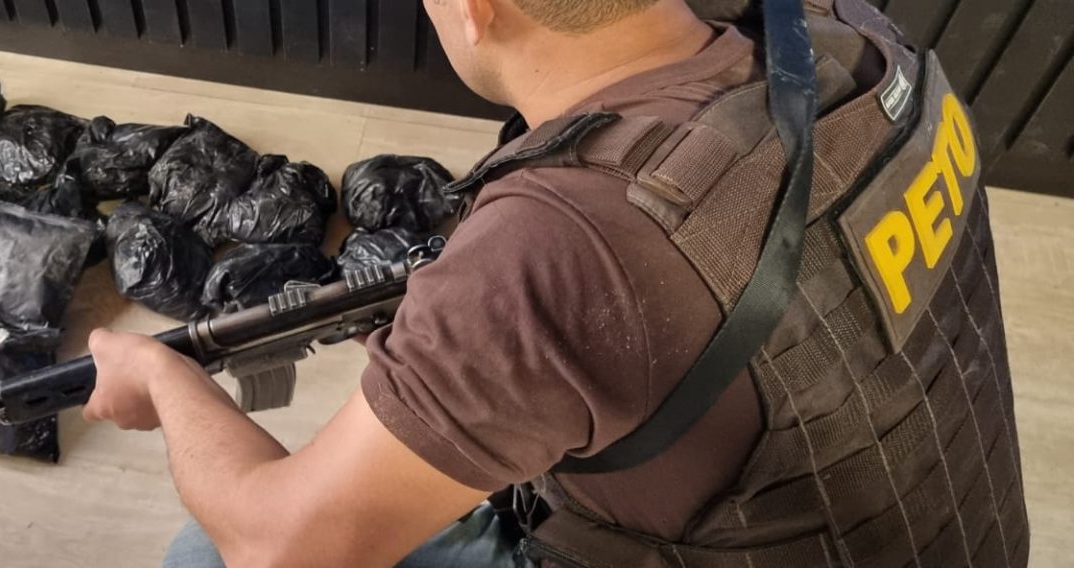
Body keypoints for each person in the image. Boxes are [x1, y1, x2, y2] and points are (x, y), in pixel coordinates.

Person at [83, 0, 1030, 566]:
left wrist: (162, 382)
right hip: (954, 526)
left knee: (209, 553)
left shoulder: (565, 249)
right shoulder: (846, 33)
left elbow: (279, 548)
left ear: (476, 7)